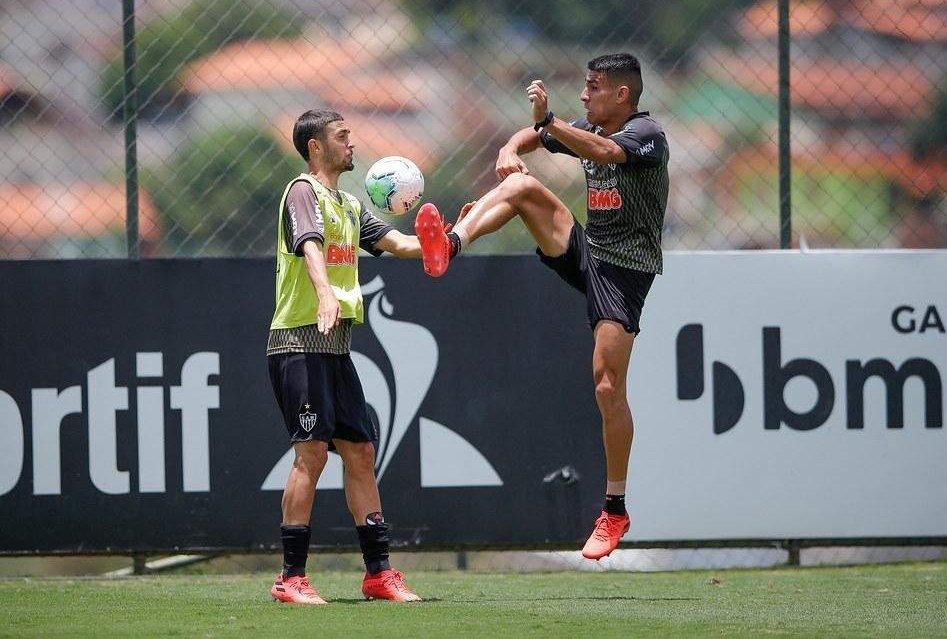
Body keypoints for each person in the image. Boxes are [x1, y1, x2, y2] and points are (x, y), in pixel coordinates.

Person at [414, 53, 669, 560]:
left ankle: (614, 509)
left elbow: (600, 149)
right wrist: (512, 145)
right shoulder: (590, 126)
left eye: (593, 87)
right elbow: (538, 138)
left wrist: (548, 124)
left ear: (621, 94)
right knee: (521, 185)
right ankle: (450, 244)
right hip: (589, 251)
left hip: (623, 273)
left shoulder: (646, 135)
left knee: (606, 384)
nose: (584, 95)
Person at [267, 109, 438, 604]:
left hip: (335, 348)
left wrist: (448, 238)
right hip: (299, 342)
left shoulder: (347, 204)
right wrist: (324, 294)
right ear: (315, 146)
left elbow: (403, 244)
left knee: (361, 453)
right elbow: (310, 249)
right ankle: (291, 578)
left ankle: (379, 574)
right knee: (313, 453)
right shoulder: (304, 192)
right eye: (342, 136)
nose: (352, 143)